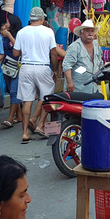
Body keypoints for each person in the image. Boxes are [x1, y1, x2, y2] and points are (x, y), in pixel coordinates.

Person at [13, 7, 65, 143]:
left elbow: (15, 53)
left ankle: (25, 132)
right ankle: (40, 124)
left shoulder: (21, 32)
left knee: (27, 100)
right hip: (42, 67)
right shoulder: (48, 32)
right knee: (46, 96)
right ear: (42, 18)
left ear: (30, 19)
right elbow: (54, 53)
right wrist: (55, 70)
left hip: (26, 68)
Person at [63, 20, 103, 94]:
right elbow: (67, 65)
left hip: (92, 88)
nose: (90, 33)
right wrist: (70, 82)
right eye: (87, 31)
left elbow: (100, 63)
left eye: (92, 31)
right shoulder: (75, 47)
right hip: (77, 88)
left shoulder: (97, 46)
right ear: (81, 33)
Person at [0, 12, 23, 129]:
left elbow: (19, 49)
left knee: (14, 91)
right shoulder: (6, 35)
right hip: (7, 66)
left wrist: (9, 36)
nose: (6, 24)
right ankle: (19, 116)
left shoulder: (19, 35)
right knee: (10, 90)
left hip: (17, 66)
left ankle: (10, 118)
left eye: (8, 22)